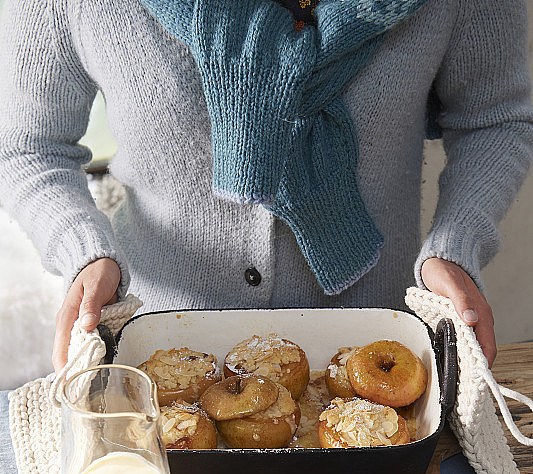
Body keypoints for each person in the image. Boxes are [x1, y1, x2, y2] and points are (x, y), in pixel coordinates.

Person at [0, 0, 532, 374]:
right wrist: (84, 253)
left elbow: (497, 116)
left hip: (375, 362)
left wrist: (457, 246)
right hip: (159, 364)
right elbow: (26, 146)